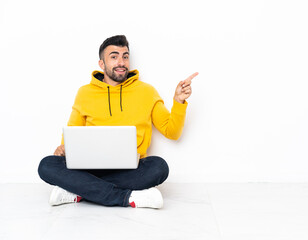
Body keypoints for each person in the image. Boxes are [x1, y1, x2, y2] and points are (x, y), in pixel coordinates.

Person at [38, 35, 198, 209]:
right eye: (114, 57)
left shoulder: (147, 91)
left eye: (125, 56)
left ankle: (79, 190)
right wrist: (63, 148)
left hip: (131, 169)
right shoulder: (85, 93)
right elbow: (72, 133)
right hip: (89, 168)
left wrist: (179, 101)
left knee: (159, 167)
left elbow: (172, 132)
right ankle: (126, 198)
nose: (121, 62)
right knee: (47, 165)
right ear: (102, 64)